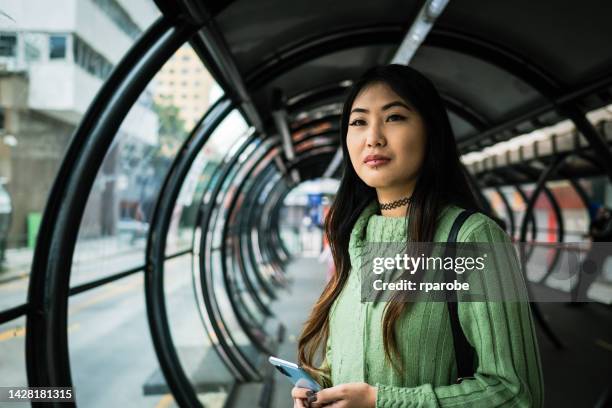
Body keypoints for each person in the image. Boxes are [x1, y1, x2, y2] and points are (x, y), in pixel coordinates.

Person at [290, 64, 544, 407]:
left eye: (394, 117)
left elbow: (517, 394)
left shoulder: (472, 239)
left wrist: (382, 402)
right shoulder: (356, 238)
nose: (373, 137)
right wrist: (321, 388)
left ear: (430, 131)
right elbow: (351, 358)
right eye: (359, 121)